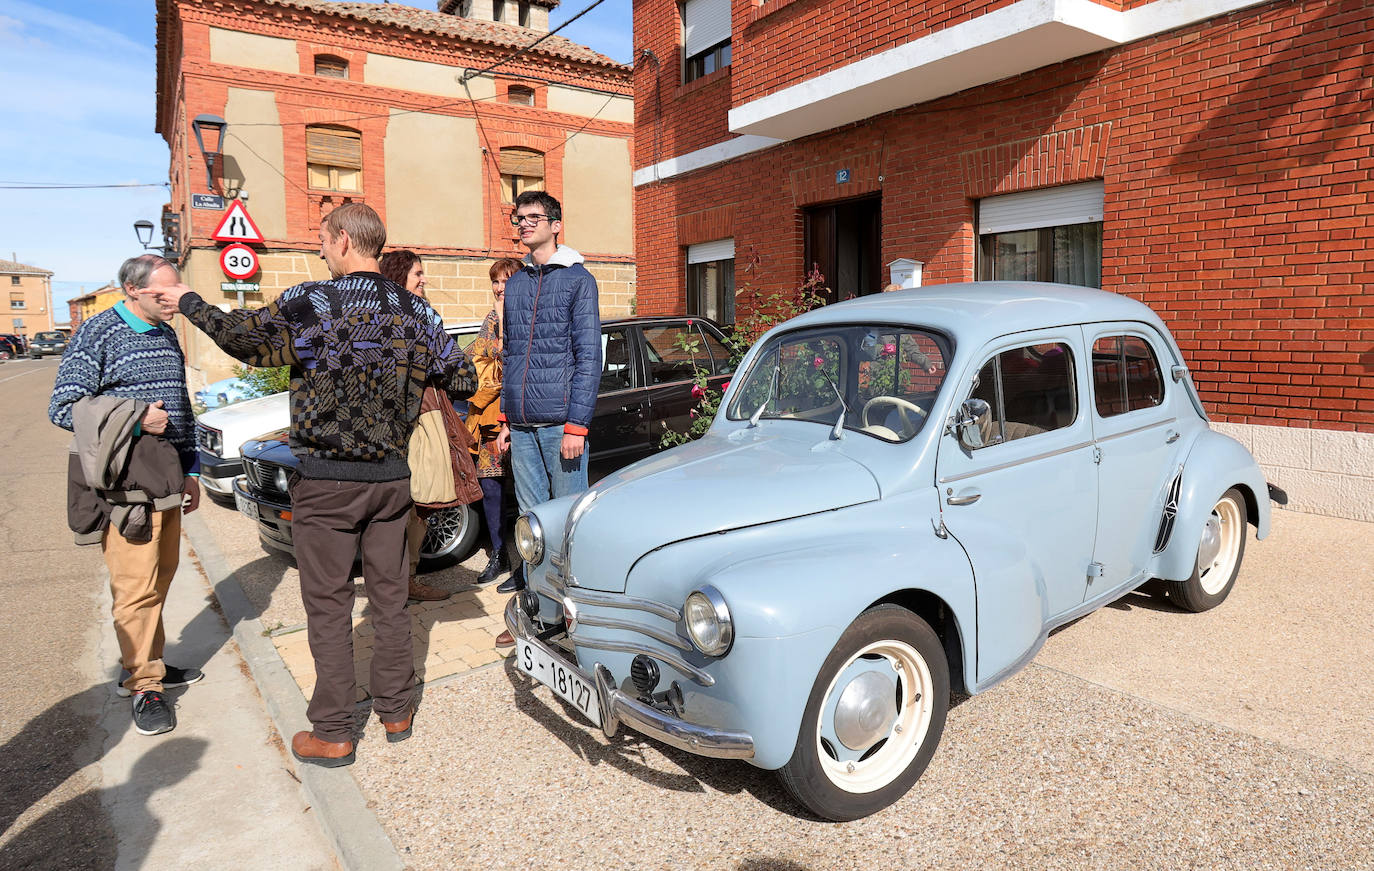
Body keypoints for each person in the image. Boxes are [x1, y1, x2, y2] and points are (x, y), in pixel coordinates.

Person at [156, 204, 474, 766]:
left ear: (346, 240)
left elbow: (242, 339)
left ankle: (333, 730)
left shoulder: (315, 302)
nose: (319, 249)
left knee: (327, 605)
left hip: (328, 479)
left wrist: (186, 299)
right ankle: (396, 708)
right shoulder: (418, 311)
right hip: (391, 478)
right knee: (391, 596)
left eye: (323, 240)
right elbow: (462, 375)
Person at [49, 253, 205, 737]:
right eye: (163, 293)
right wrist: (136, 420)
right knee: (135, 588)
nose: (173, 300)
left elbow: (180, 404)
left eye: (176, 290)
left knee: (158, 581)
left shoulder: (165, 332)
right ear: (131, 290)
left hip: (168, 481)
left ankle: (147, 662)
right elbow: (63, 407)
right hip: (126, 488)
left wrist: (192, 470)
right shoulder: (97, 333)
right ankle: (143, 686)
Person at [492, 191, 602, 645]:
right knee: (531, 523)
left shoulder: (579, 281)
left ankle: (579, 621)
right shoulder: (515, 283)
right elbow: (512, 355)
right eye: (519, 218)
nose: (524, 225)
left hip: (561, 425)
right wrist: (504, 417)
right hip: (522, 425)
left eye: (534, 218)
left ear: (556, 225)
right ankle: (542, 614)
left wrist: (577, 425)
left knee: (567, 523)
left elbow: (588, 357)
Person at [378, 249, 450, 603]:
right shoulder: (383, 317)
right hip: (394, 425)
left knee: (420, 503)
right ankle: (395, 585)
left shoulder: (425, 314)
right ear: (399, 275)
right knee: (396, 507)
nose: (423, 279)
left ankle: (409, 580)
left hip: (423, 418)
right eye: (418, 273)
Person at [466, 258, 521, 585]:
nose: (500, 288)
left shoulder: (526, 315)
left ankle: (528, 566)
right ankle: (499, 554)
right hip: (490, 418)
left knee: (528, 491)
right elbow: (477, 357)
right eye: (496, 282)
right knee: (490, 486)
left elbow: (508, 356)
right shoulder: (490, 319)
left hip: (521, 417)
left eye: (506, 281)